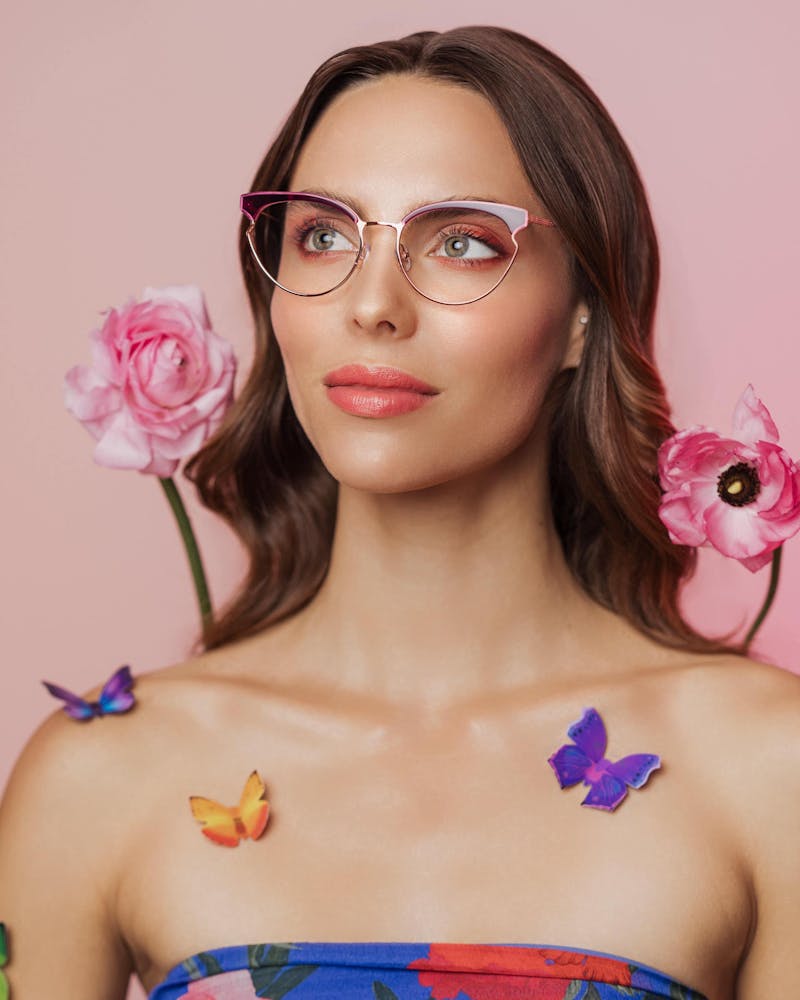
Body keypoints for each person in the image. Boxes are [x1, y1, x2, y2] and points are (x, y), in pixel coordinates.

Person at [1, 24, 798, 1000]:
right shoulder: (96, 775)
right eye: (323, 236)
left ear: (581, 316)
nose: (371, 304)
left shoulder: (769, 767)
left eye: (460, 243)